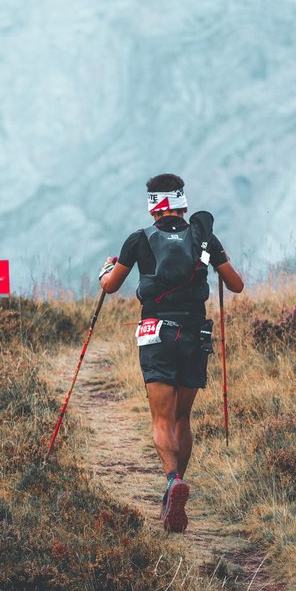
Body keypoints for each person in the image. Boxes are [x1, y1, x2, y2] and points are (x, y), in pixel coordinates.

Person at [98, 173, 244, 533]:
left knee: (161, 420)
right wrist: (217, 259)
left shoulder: (139, 239)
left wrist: (106, 270)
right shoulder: (203, 238)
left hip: (157, 334)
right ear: (182, 203)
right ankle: (176, 489)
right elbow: (236, 285)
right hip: (195, 334)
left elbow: (111, 286)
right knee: (182, 418)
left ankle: (172, 481)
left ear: (152, 207)